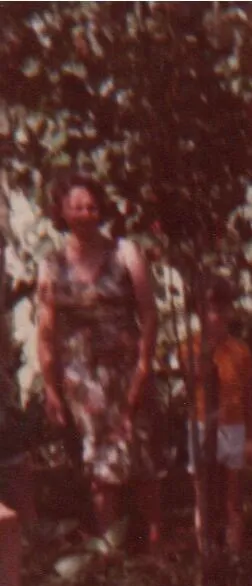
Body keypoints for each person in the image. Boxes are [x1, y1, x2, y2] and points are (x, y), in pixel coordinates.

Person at [36, 173, 162, 550]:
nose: (85, 214)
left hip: (128, 375)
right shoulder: (51, 266)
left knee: (141, 463)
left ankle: (156, 550)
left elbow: (150, 314)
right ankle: (113, 554)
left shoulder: (125, 253)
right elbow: (46, 331)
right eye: (76, 206)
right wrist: (51, 390)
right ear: (61, 210)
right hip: (82, 382)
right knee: (99, 466)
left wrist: (143, 368)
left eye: (92, 206)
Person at [182, 277, 252, 557]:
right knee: (202, 491)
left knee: (233, 496)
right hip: (201, 426)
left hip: (234, 427)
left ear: (229, 311)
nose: (214, 316)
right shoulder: (188, 349)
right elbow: (190, 389)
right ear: (198, 312)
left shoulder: (240, 351)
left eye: (220, 309)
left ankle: (234, 551)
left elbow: (249, 396)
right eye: (208, 309)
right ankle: (205, 551)